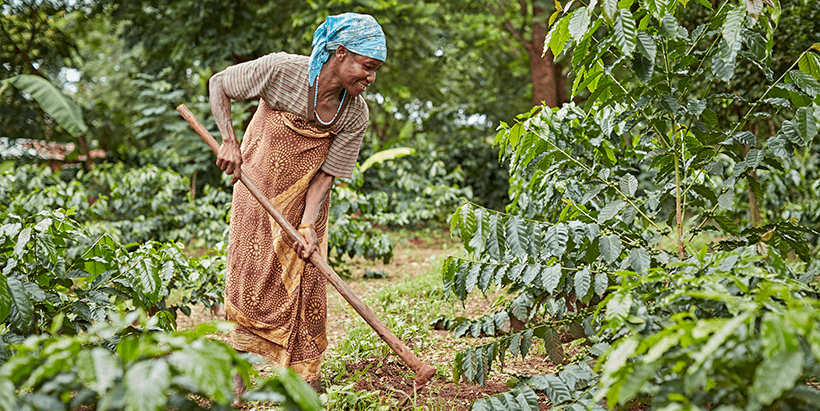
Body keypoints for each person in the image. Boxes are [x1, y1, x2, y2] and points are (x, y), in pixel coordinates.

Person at [208, 13, 386, 396]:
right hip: (256, 194)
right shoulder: (281, 71)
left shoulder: (355, 113)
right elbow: (219, 83)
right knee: (249, 281)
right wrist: (228, 141)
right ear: (340, 54)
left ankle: (309, 385)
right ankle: (238, 385)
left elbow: (326, 175)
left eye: (376, 71)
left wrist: (307, 225)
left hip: (307, 204)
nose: (371, 78)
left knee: (308, 283)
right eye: (367, 67)